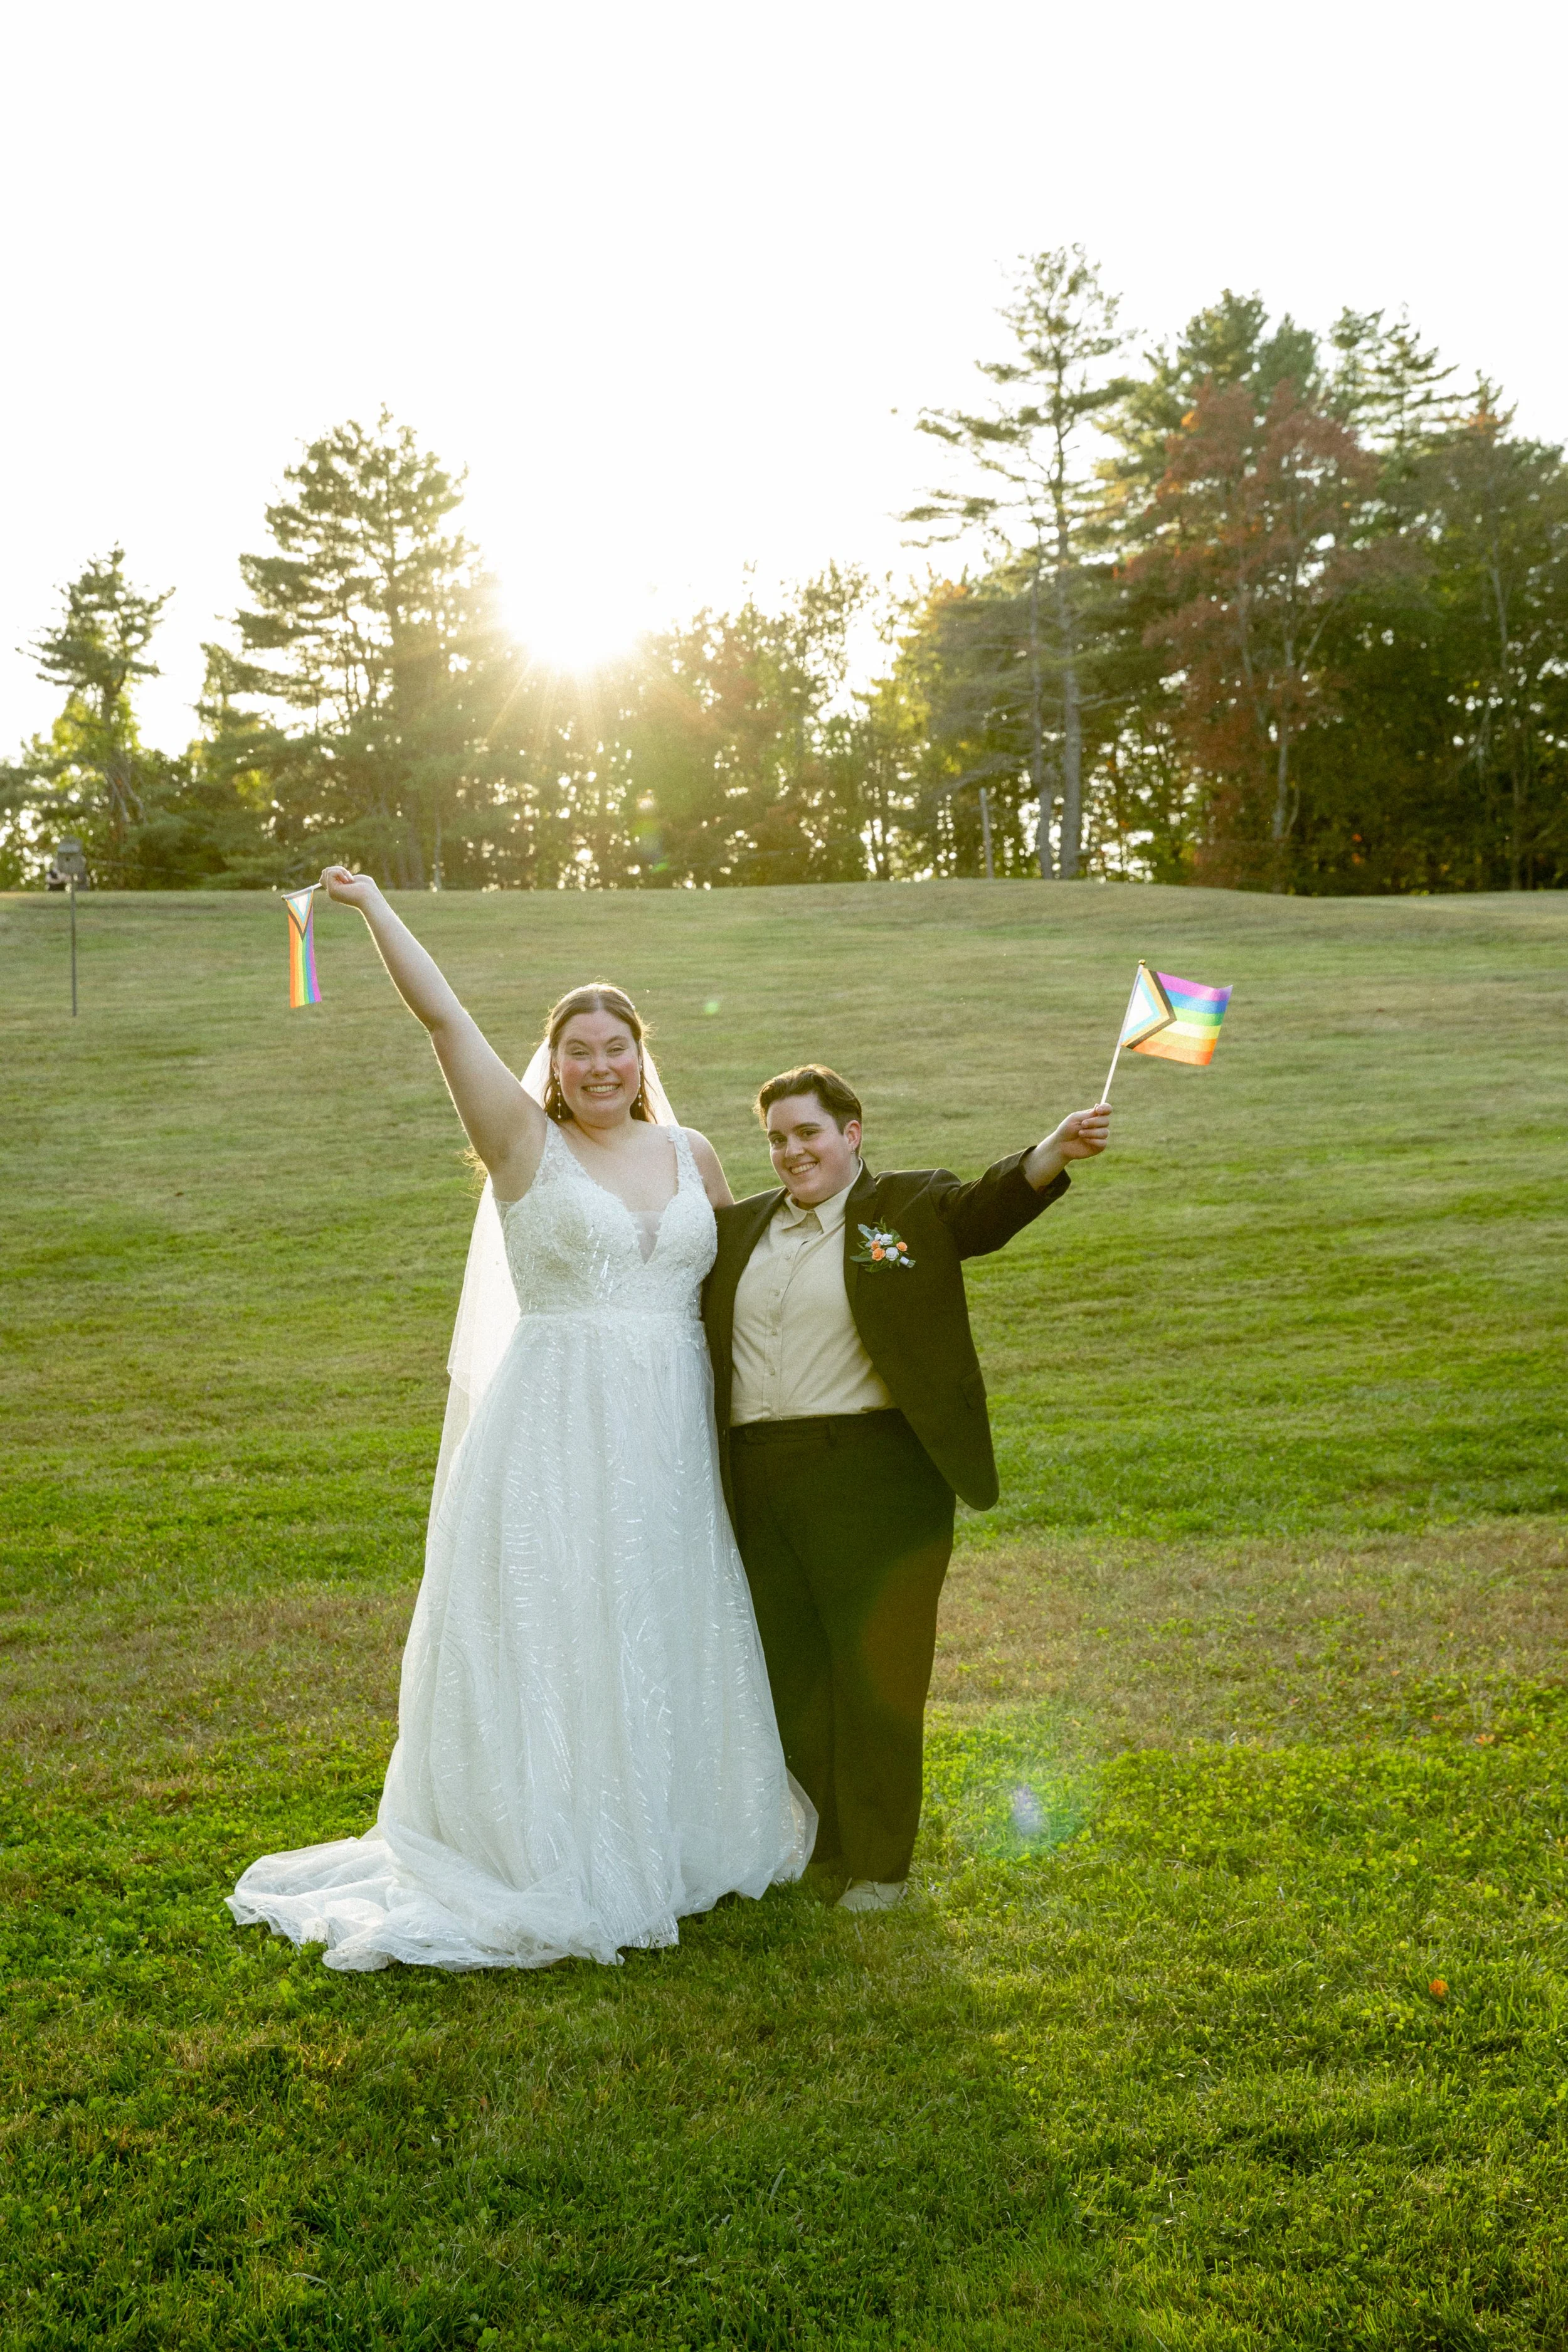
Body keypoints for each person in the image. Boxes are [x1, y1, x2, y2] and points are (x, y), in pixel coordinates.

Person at [228, 870, 813, 1971]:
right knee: (562, 1618)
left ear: (643, 1056)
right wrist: (368, 907)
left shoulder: (693, 1157)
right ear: (554, 1062)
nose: (600, 1066)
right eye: (580, 1049)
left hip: (672, 1434)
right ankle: (546, 1842)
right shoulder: (520, 1144)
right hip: (555, 1426)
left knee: (663, 1607)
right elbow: (445, 1017)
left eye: (618, 1047)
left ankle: (679, 1823)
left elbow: (747, 1282)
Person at [702, 1066, 1110, 1914]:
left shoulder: (903, 1210)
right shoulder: (739, 1230)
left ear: (850, 1133)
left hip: (876, 1471)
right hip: (759, 1472)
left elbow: (983, 1211)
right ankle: (820, 1845)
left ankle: (881, 1864)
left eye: (807, 1133)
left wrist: (1051, 1153)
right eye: (776, 1138)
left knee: (875, 1672)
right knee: (793, 1670)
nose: (790, 1151)